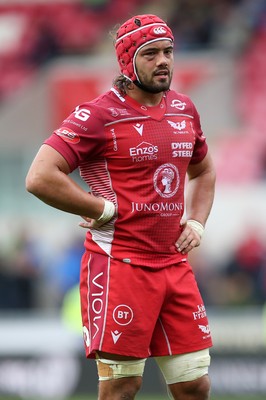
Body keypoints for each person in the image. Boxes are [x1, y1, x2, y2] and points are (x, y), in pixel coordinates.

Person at [26, 14, 216, 400]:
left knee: (194, 385)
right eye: (151, 54)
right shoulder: (98, 115)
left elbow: (204, 170)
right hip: (120, 264)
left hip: (173, 265)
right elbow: (41, 176)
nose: (163, 61)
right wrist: (102, 209)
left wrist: (196, 222)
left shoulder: (184, 109)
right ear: (127, 62)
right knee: (121, 387)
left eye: (168, 51)